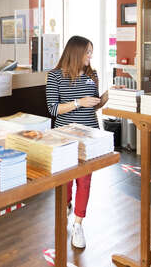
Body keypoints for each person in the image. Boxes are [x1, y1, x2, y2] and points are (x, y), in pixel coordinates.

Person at [46, 35, 109, 249]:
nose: (90, 56)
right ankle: (65, 205)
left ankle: (78, 223)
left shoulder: (93, 74)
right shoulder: (55, 76)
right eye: (87, 52)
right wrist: (77, 102)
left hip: (89, 135)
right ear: (75, 52)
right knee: (65, 178)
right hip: (64, 136)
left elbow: (94, 106)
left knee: (84, 180)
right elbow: (53, 109)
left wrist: (106, 98)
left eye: (91, 52)